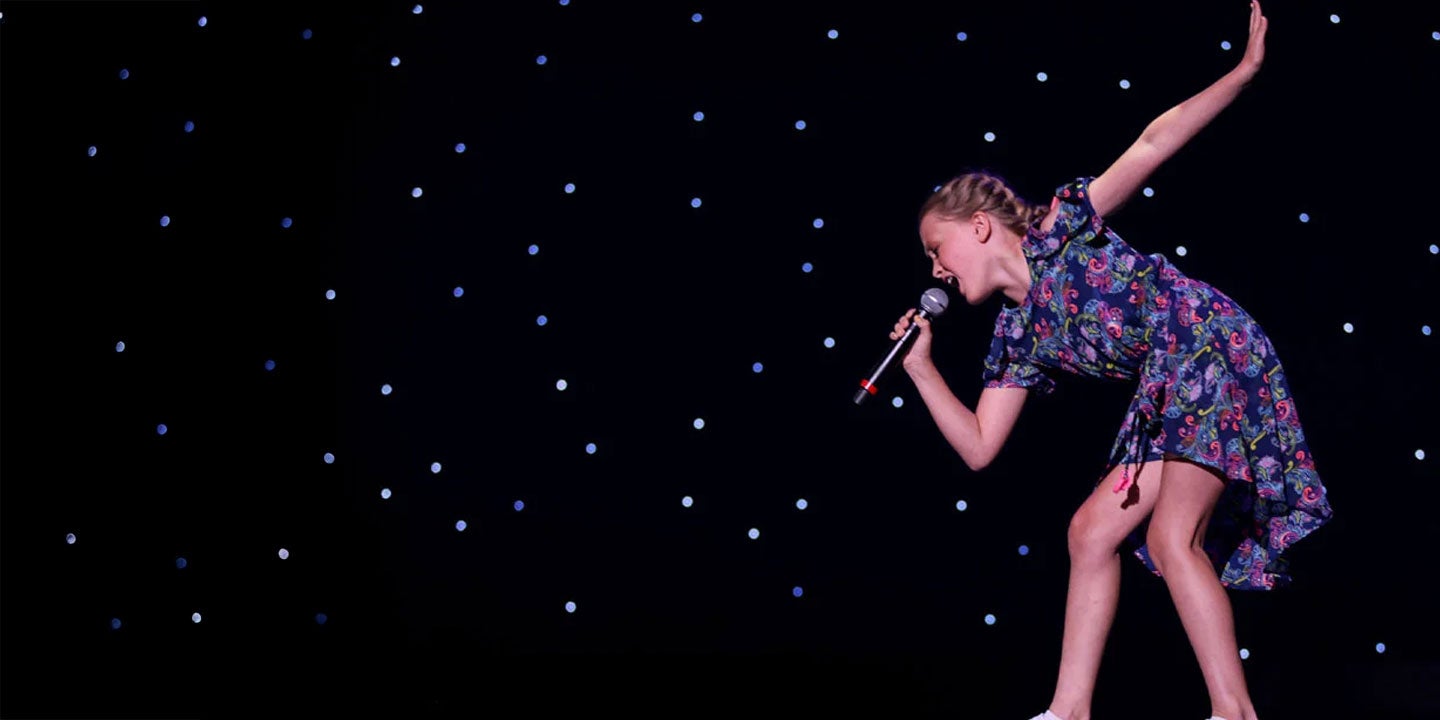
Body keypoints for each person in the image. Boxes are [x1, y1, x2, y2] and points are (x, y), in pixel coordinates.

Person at [888, 3, 1332, 720]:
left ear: (979, 227)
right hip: (1168, 385)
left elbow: (1153, 143)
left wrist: (1242, 73)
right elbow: (979, 447)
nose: (935, 270)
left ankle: (1235, 712)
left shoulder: (1064, 227)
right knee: (1089, 533)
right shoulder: (1017, 333)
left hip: (1208, 343)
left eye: (937, 250)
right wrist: (920, 369)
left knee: (1172, 537)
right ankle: (1068, 711)